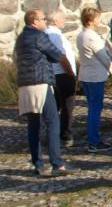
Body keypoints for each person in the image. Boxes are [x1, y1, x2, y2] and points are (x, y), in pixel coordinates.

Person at [15, 9, 75, 176]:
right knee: (52, 121)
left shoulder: (21, 38)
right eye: (42, 19)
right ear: (34, 21)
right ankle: (57, 163)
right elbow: (56, 55)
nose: (44, 22)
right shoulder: (39, 36)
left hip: (25, 84)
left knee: (33, 125)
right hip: (40, 82)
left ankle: (38, 164)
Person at [77, 7, 112, 153]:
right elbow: (103, 56)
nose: (99, 20)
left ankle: (93, 138)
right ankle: (94, 141)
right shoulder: (90, 37)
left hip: (87, 75)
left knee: (93, 108)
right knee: (95, 109)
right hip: (94, 76)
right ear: (91, 20)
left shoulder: (82, 35)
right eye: (97, 18)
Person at [45, 10, 77, 147]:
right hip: (62, 74)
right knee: (67, 105)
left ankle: (54, 133)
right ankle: (66, 135)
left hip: (56, 74)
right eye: (62, 18)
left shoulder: (48, 33)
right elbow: (62, 57)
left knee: (57, 105)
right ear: (56, 20)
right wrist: (70, 72)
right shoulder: (55, 35)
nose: (64, 21)